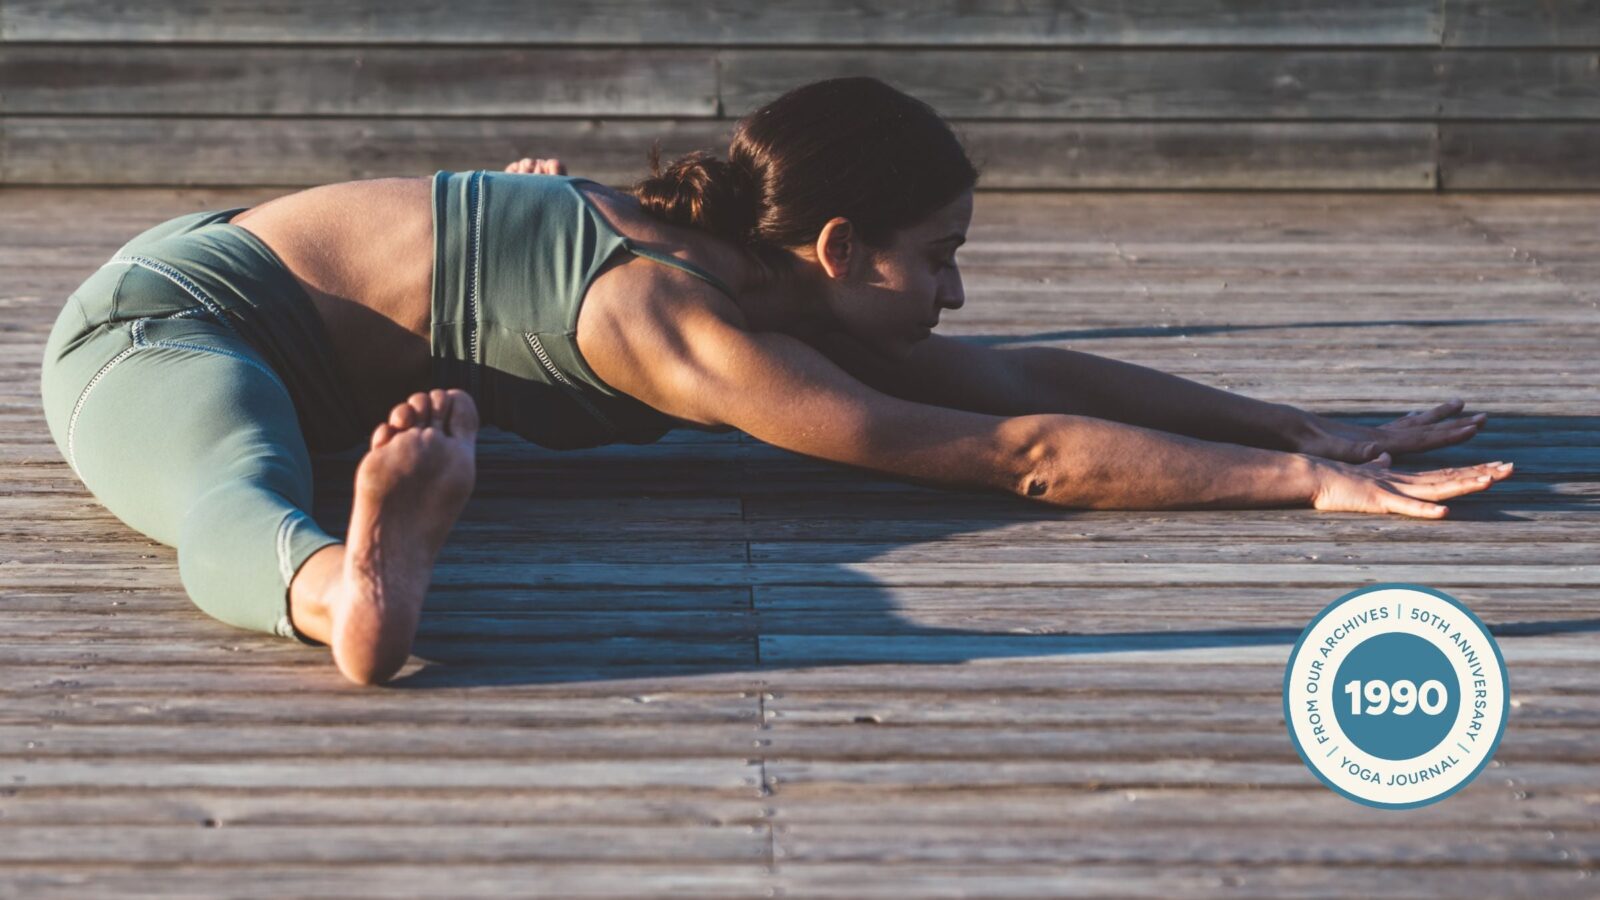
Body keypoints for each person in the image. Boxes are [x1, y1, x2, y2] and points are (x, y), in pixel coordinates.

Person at [37, 76, 1511, 687]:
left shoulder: (737, 262)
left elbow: (1017, 377)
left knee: (273, 446)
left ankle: (363, 512)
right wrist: (1309, 491)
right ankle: (343, 594)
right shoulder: (679, 327)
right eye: (937, 257)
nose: (952, 292)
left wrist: (1306, 424)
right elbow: (1023, 455)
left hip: (333, 351)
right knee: (231, 479)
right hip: (162, 324)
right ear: (834, 245)